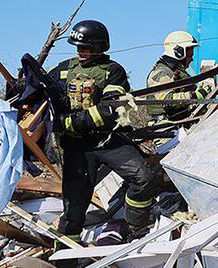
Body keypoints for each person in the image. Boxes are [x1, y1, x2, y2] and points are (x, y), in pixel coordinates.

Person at [49, 20, 157, 246]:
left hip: (106, 140)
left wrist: (74, 121)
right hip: (76, 148)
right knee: (73, 210)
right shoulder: (63, 69)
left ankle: (135, 230)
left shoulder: (112, 71)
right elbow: (43, 92)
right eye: (78, 47)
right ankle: (64, 260)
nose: (81, 52)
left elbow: (111, 109)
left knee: (143, 178)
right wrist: (23, 88)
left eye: (86, 48)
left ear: (100, 46)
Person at [145, 31, 212, 121]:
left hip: (181, 124)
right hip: (166, 128)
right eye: (190, 55)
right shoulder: (161, 72)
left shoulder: (179, 73)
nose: (192, 59)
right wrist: (195, 95)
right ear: (179, 53)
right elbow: (167, 100)